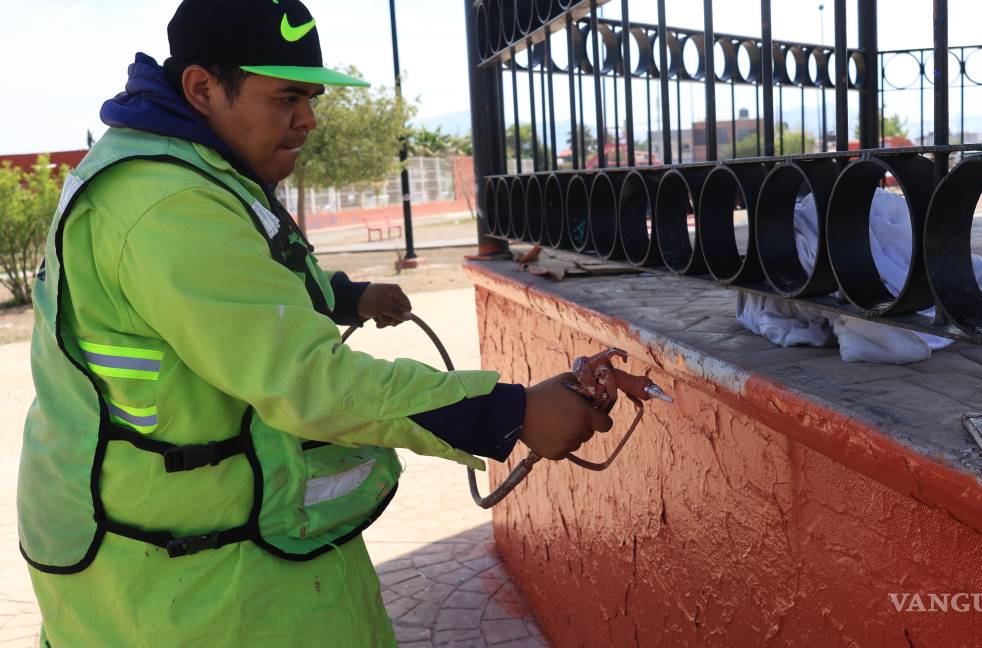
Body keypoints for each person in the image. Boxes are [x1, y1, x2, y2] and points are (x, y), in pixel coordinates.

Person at [16, 0, 612, 645]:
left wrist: (348, 297)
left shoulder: (184, 165)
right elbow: (306, 381)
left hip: (201, 538)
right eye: (287, 98)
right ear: (202, 87)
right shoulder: (170, 202)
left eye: (312, 97)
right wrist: (510, 412)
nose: (308, 119)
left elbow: (241, 285)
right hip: (182, 572)